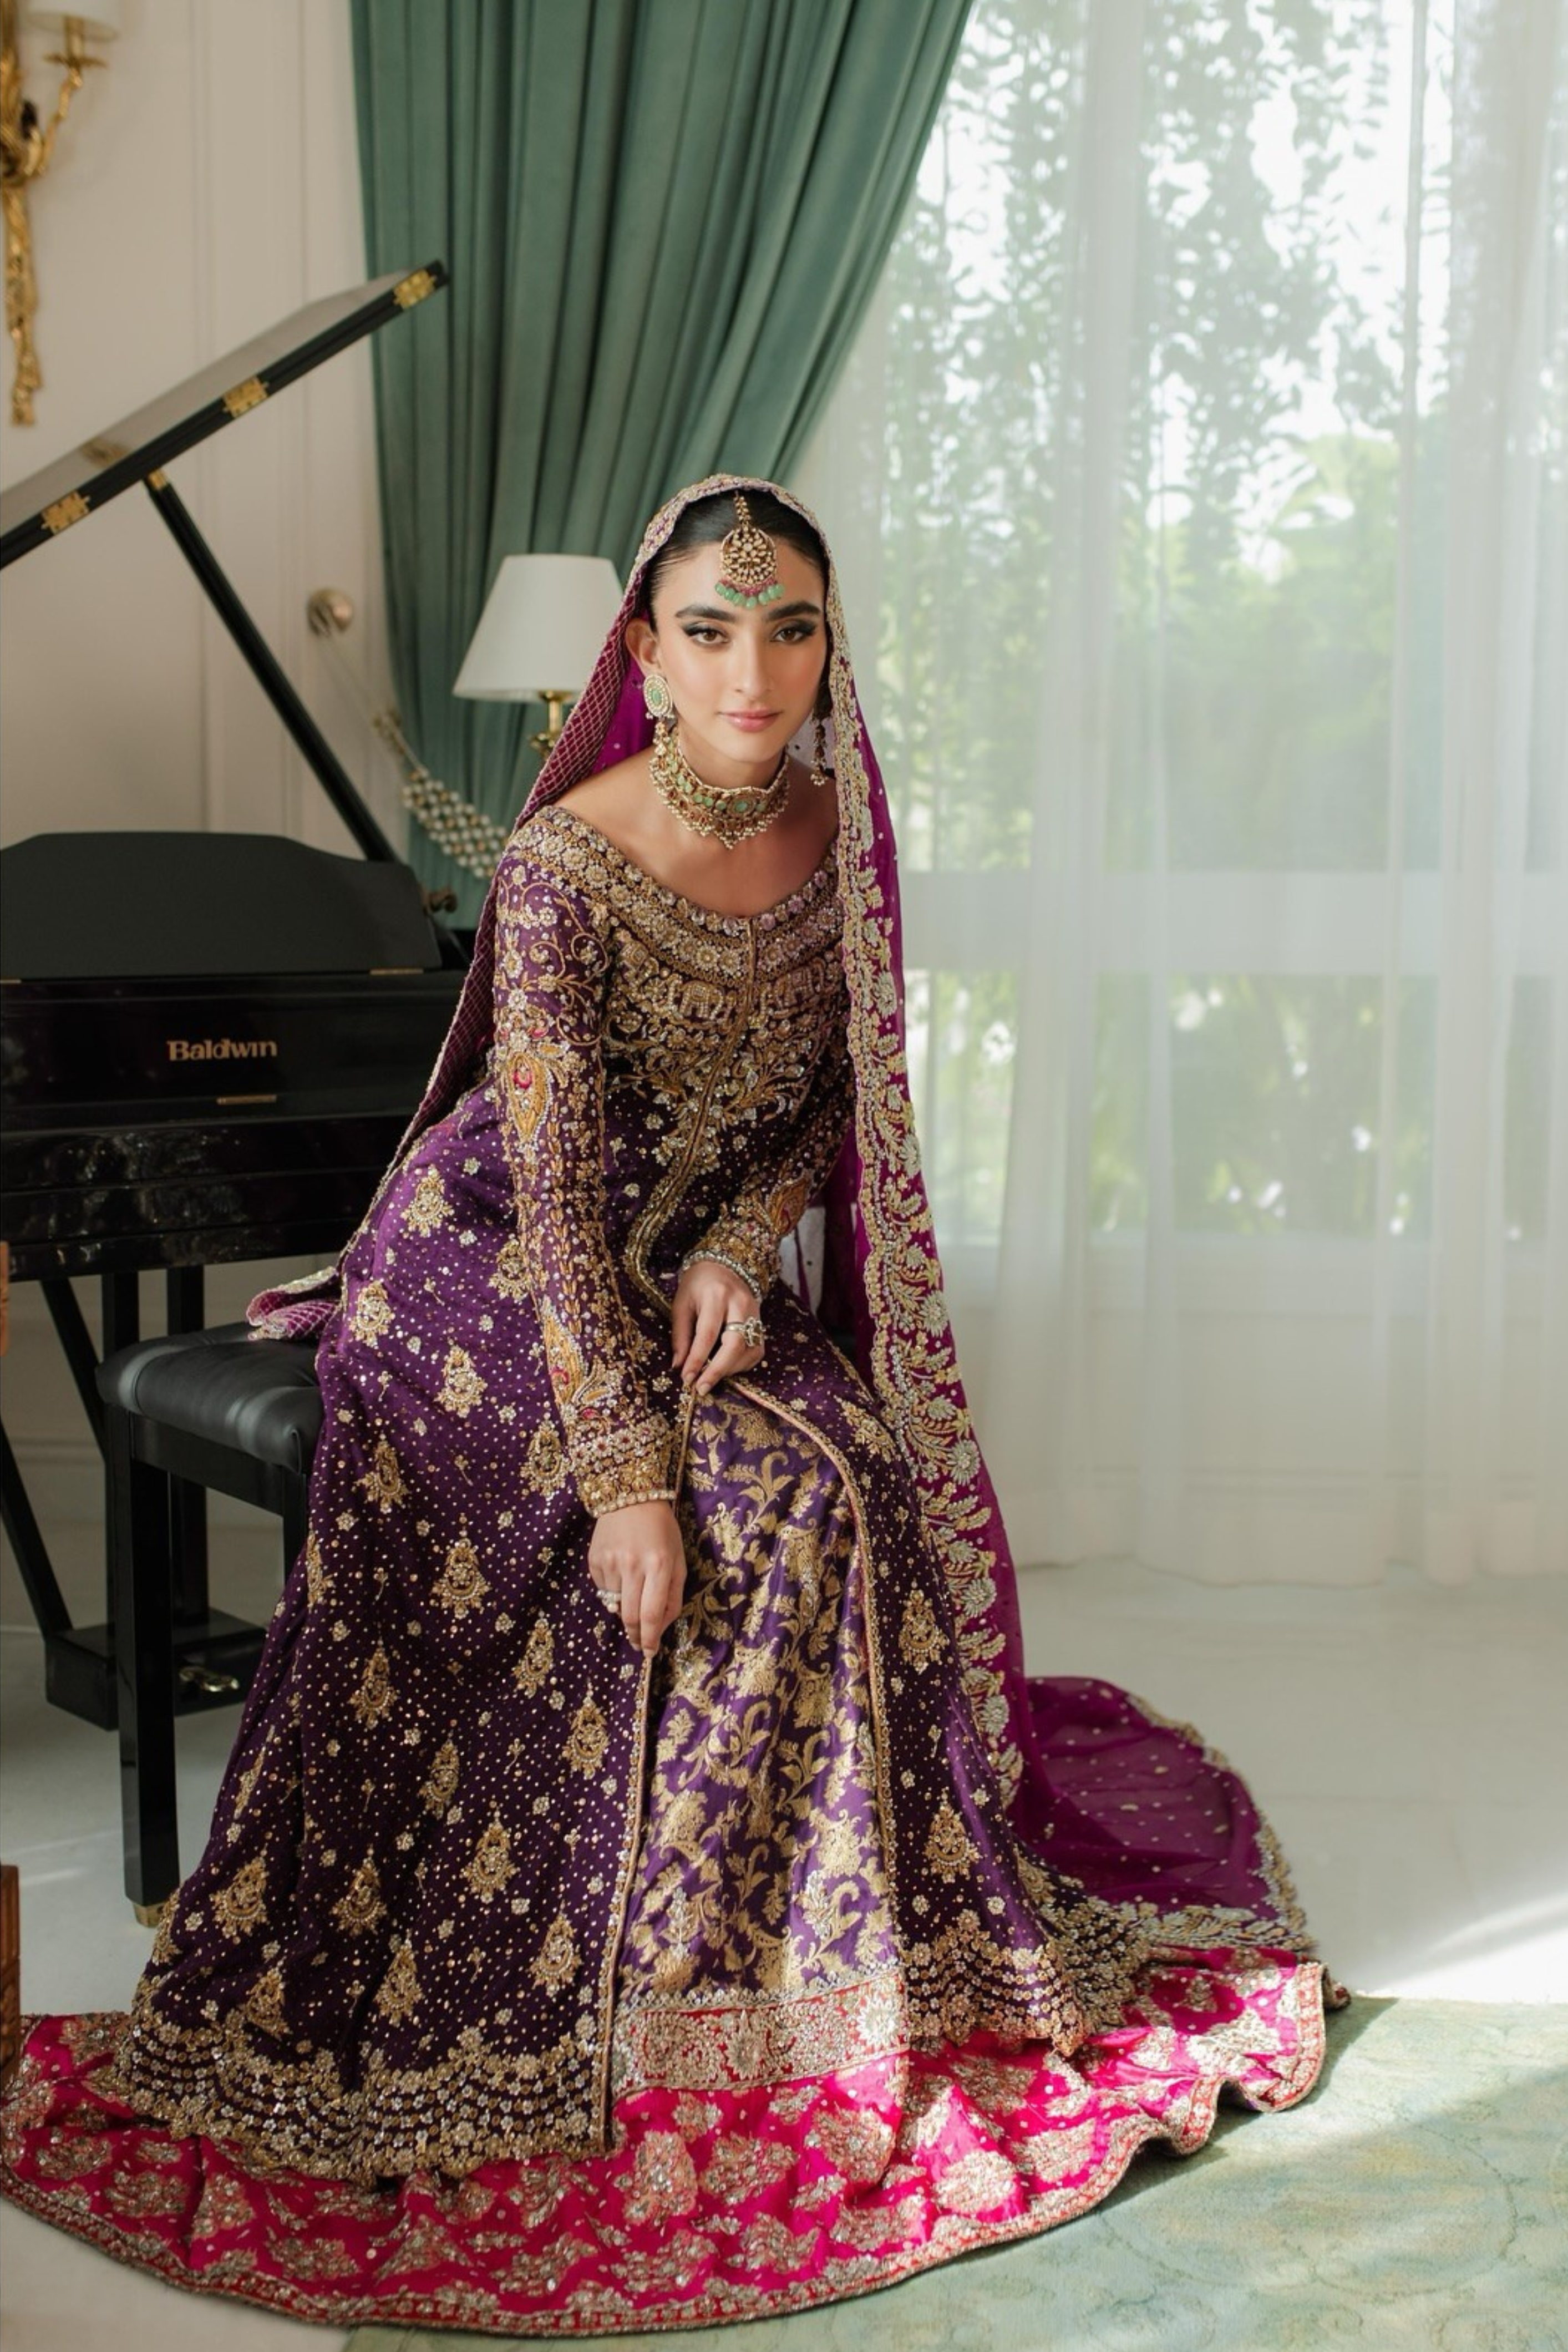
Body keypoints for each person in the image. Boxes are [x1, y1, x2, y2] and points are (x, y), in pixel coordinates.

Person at [0, 479, 1341, 2332]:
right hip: (490, 1273)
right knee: (733, 1512)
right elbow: (544, 1180)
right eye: (710, 629)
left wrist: (742, 1235)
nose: (754, 669)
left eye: (789, 627)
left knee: (841, 1469)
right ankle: (650, 1990)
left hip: (676, 1261)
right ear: (641, 651)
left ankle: (790, 1976)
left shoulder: (833, 830)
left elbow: (829, 1096)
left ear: (828, 641)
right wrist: (627, 1476)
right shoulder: (564, 866)